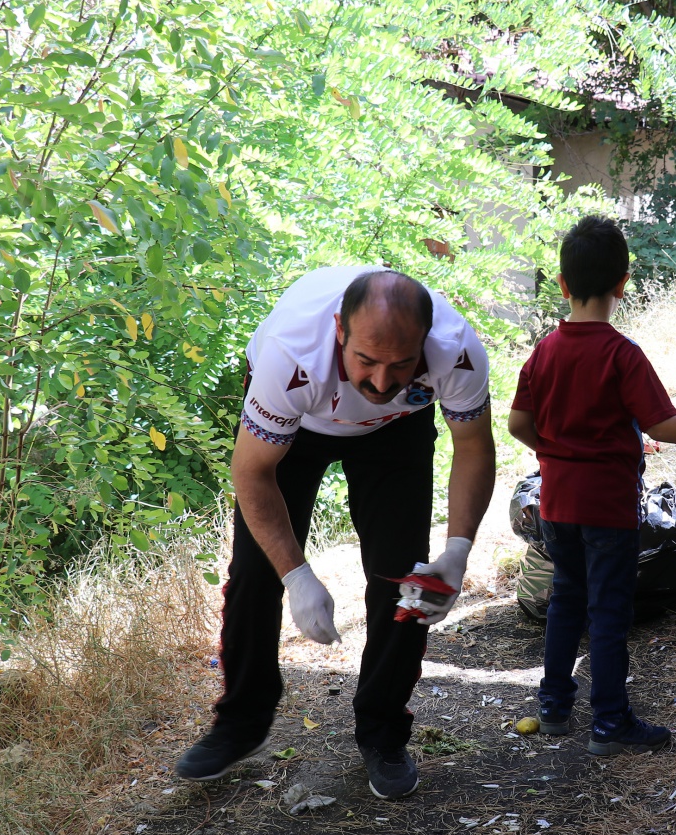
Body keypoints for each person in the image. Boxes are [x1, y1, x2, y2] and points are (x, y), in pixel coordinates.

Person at [176, 267, 496, 799]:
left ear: (426, 342)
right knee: (257, 572)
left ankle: (384, 730)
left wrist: (459, 550)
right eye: (366, 361)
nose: (378, 381)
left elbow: (474, 448)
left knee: (406, 577)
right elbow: (251, 473)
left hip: (396, 432)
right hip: (298, 429)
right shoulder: (290, 353)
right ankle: (240, 722)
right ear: (339, 333)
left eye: (401, 364)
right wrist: (298, 577)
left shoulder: (456, 349)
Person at [507, 217, 676, 754]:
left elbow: (518, 424)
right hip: (607, 506)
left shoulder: (544, 351)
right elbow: (662, 425)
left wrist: (556, 452)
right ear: (623, 283)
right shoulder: (621, 354)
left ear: (561, 283)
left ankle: (553, 707)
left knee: (565, 601)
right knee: (610, 611)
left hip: (557, 502)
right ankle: (609, 723)